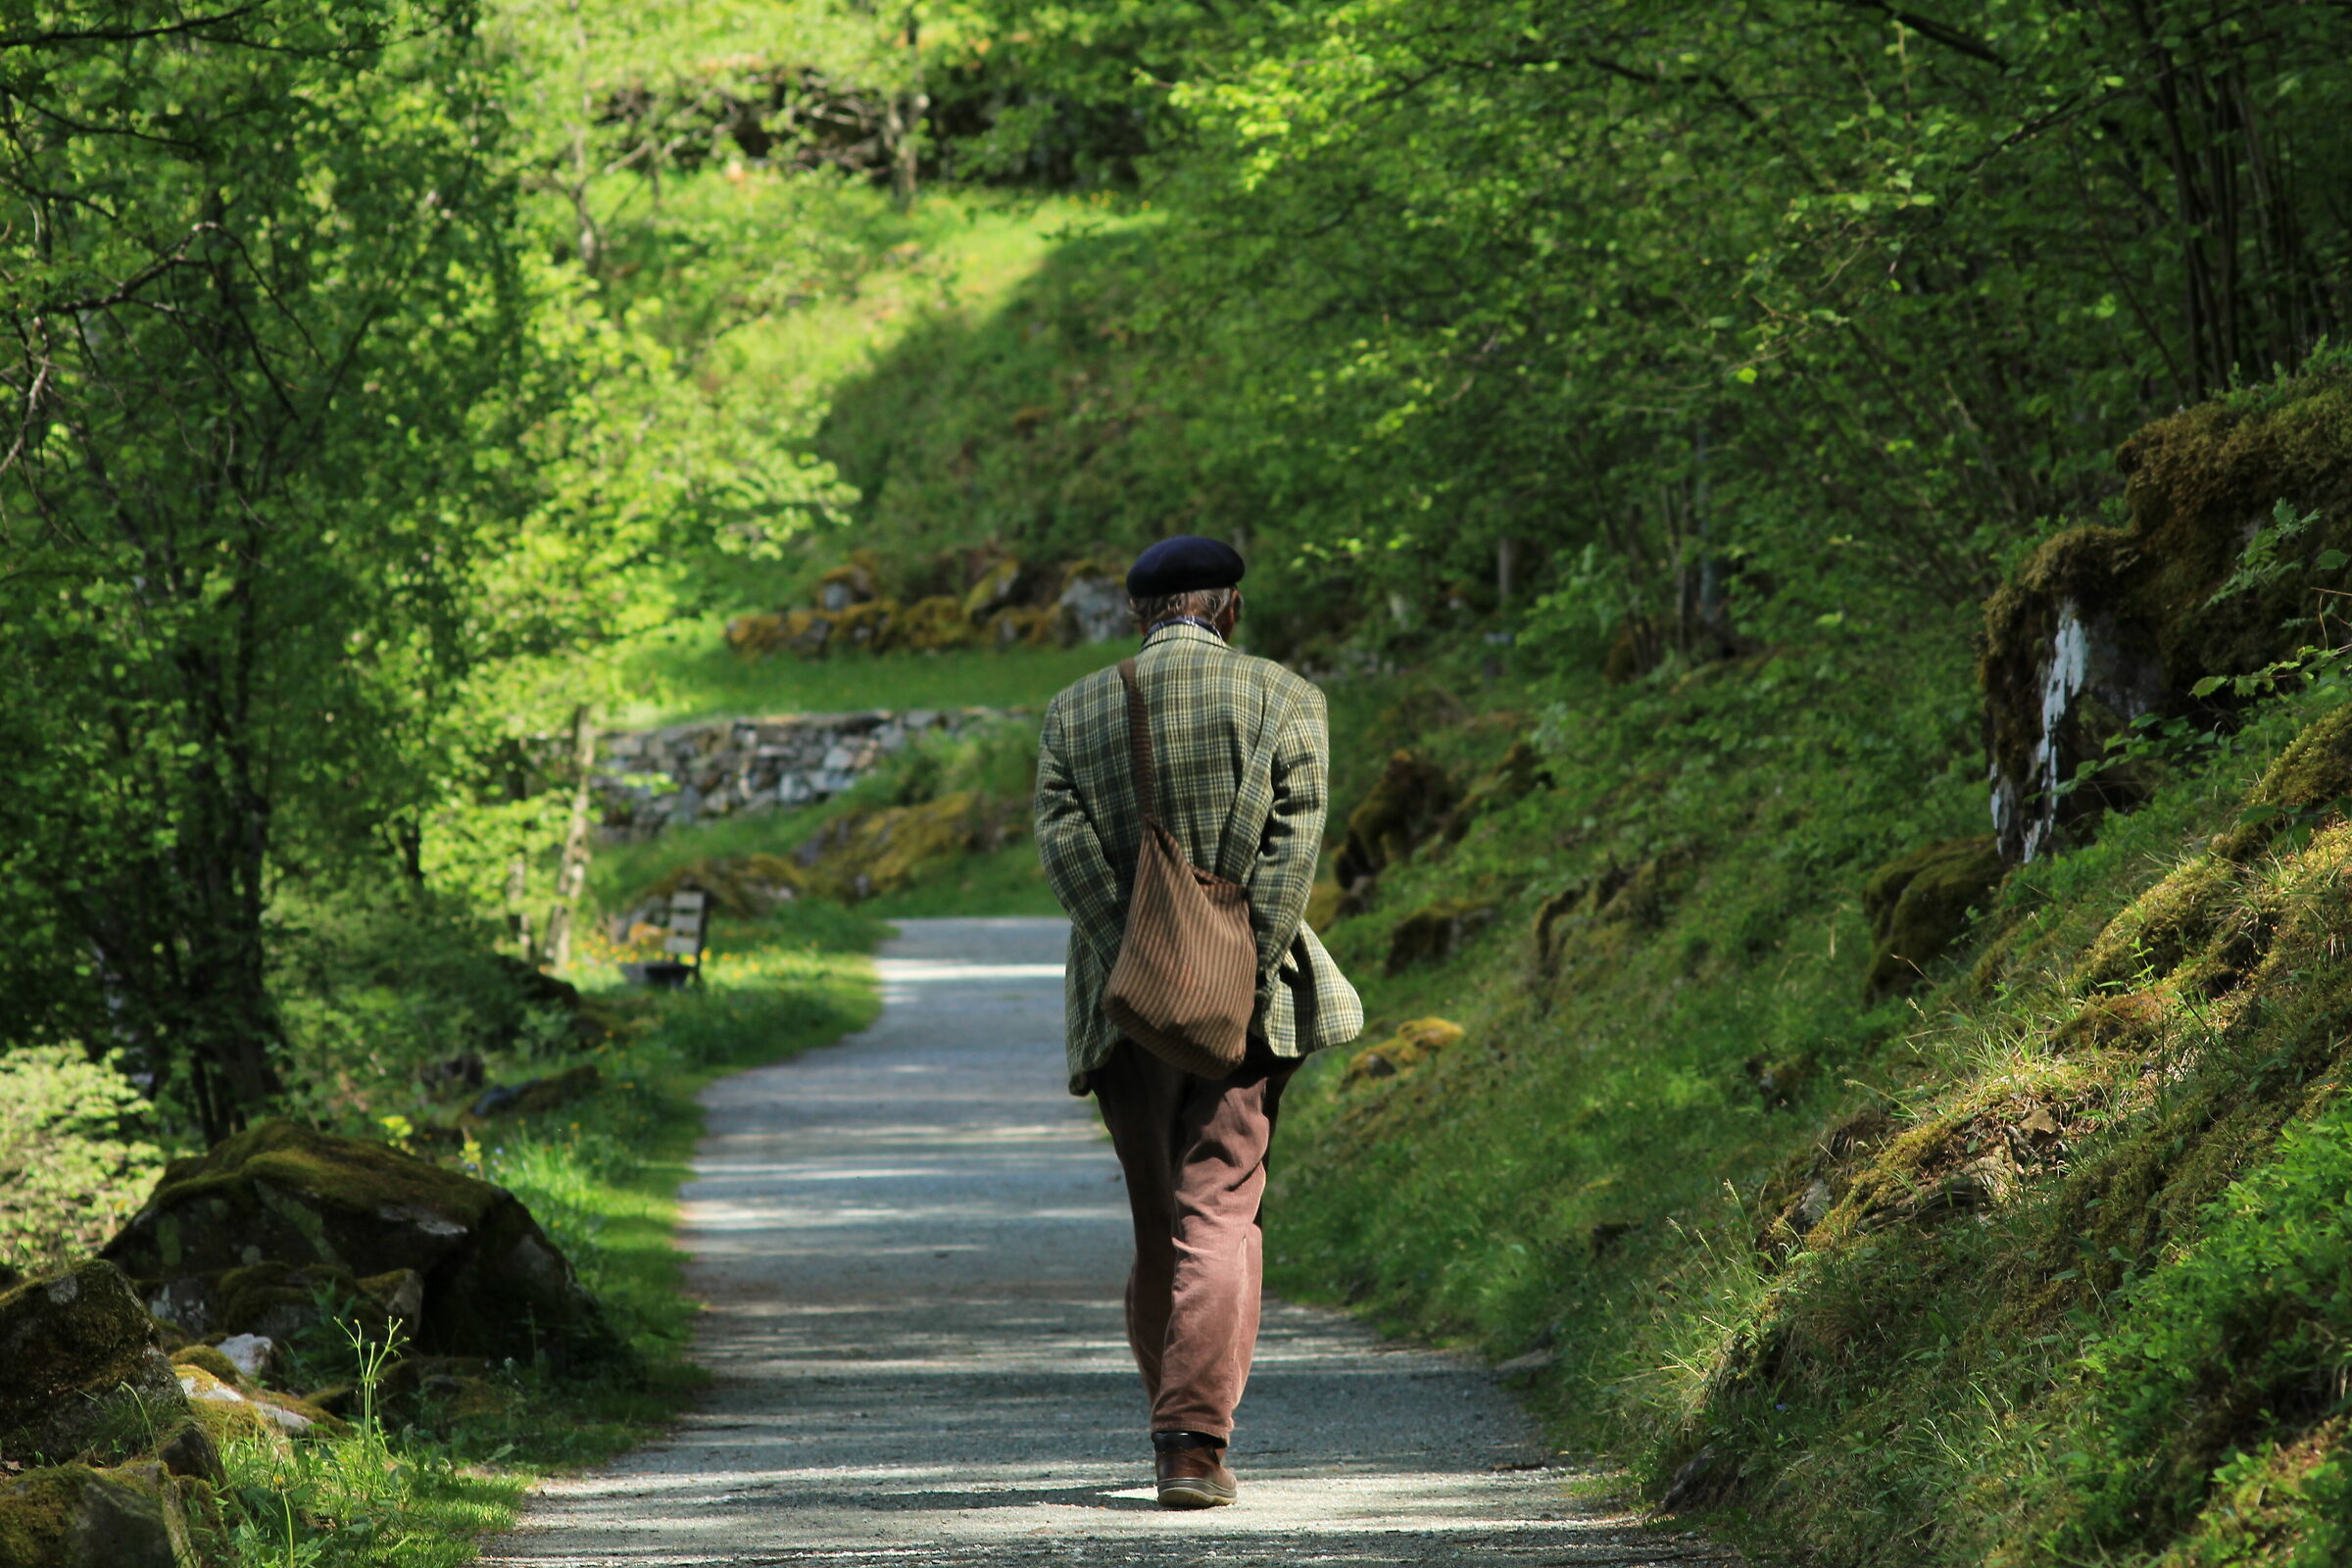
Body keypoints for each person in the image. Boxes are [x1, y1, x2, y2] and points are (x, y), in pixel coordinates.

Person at [1033, 534, 1363, 1509]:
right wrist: (1234, 970)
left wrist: (1142, 961)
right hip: (1246, 1008)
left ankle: (1178, 1422)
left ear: (1139, 616)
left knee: (1158, 1222)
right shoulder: (1287, 699)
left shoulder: (1074, 710)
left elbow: (1066, 855)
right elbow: (1291, 859)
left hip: (1121, 1008)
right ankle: (1189, 1444)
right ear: (1231, 610)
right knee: (1221, 1205)